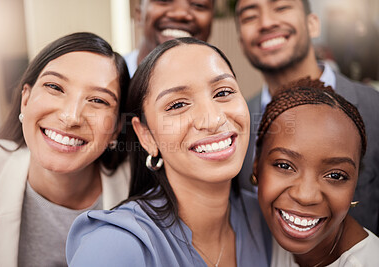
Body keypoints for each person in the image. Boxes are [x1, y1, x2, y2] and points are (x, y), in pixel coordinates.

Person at [66, 38, 271, 267]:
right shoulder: (113, 246)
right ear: (146, 136)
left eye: (223, 92)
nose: (213, 120)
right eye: (177, 105)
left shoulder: (269, 217)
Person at [0, 32, 130, 267]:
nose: (71, 117)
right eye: (55, 87)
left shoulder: (142, 191)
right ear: (25, 100)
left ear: (116, 128)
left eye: (98, 101)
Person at [235, 0, 379, 235]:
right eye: (250, 17)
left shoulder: (375, 108)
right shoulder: (237, 123)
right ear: (242, 42)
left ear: (313, 24)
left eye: (281, 8)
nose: (266, 22)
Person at [253, 78, 379, 267]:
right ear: (256, 166)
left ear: (355, 182)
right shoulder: (246, 224)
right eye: (285, 166)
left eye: (335, 175)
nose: (306, 196)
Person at [124, 0, 214, 77]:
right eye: (164, 0)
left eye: (198, 4)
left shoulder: (224, 87)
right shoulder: (112, 81)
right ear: (139, 14)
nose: (180, 13)